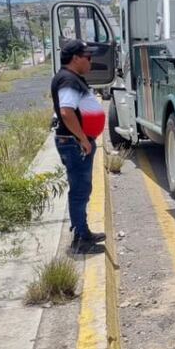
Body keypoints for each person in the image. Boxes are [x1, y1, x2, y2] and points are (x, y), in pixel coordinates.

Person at [51, 39, 107, 254]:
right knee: (79, 191)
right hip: (74, 143)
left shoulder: (70, 78)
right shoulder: (68, 80)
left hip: (74, 142)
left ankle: (84, 232)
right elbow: (66, 111)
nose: (91, 61)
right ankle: (80, 240)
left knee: (82, 189)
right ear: (75, 58)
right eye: (88, 57)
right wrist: (83, 138)